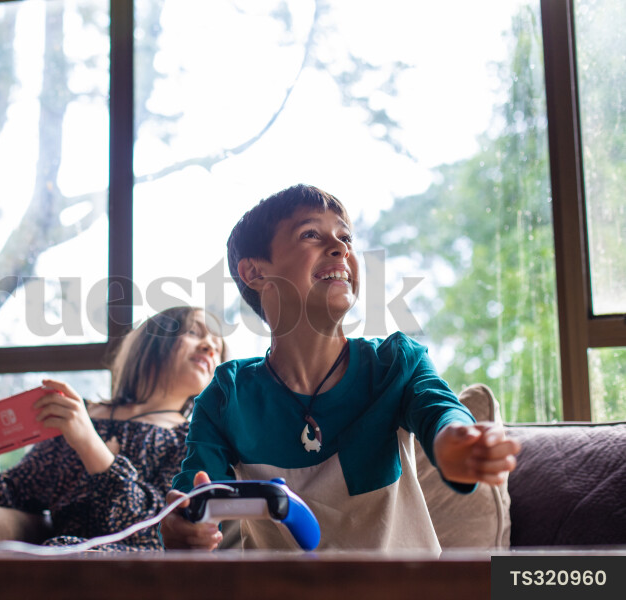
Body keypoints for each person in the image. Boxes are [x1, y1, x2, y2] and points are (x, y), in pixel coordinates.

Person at [160, 184, 521, 552]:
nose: (340, 248)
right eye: (311, 234)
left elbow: (441, 412)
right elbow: (195, 499)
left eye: (345, 237)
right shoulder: (226, 394)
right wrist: (184, 526)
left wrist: (454, 441)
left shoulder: (395, 362)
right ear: (254, 272)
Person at [0, 306, 224, 551]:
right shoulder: (78, 414)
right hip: (60, 556)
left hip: (134, 569)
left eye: (217, 346)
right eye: (193, 332)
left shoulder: (192, 439)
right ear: (153, 341)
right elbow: (19, 493)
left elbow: (156, 528)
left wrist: (89, 444)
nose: (209, 347)